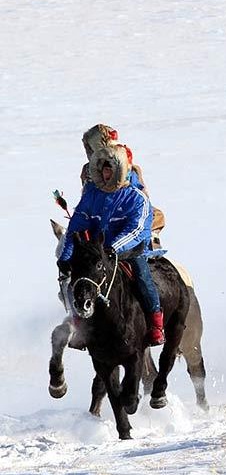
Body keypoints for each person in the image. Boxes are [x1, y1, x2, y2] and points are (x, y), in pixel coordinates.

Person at [57, 145, 164, 345]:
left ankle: (156, 323)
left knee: (142, 277)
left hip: (129, 251)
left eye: (110, 169)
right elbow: (76, 227)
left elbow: (136, 229)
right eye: (104, 169)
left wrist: (113, 248)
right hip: (99, 251)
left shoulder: (136, 198)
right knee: (79, 279)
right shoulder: (92, 195)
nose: (106, 173)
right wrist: (66, 257)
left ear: (119, 171)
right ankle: (79, 322)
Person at [81, 124, 165, 249]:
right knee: (154, 215)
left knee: (155, 215)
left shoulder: (89, 169)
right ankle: (151, 241)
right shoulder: (125, 165)